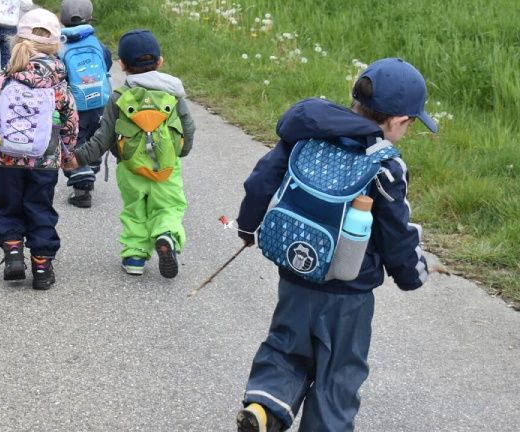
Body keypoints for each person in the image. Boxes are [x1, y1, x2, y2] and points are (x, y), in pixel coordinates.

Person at [233, 57, 436, 432]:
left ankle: (263, 408)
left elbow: (261, 180)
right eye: (410, 123)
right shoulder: (385, 165)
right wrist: (412, 275)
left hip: (296, 273)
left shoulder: (309, 134)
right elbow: (396, 232)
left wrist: (248, 226)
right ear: (398, 121)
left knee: (285, 346)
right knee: (339, 371)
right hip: (349, 294)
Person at [64, 29, 195, 278]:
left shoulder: (119, 97)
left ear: (122, 65)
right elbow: (188, 127)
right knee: (169, 207)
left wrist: (77, 158)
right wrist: (182, 151)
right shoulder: (173, 93)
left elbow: (103, 138)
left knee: (135, 211)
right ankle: (166, 234)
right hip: (166, 168)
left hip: (130, 167)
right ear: (160, 61)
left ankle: (135, 258)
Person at [0, 9, 79, 291]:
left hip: (5, 158)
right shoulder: (58, 85)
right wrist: (67, 153)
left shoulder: (1, 80)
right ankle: (42, 267)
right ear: (55, 47)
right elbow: (70, 123)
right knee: (40, 209)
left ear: (16, 41)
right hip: (45, 160)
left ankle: (14, 252)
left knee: (8, 205)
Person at [57, 0, 112, 208]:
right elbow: (106, 64)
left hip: (73, 105)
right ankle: (90, 167)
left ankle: (82, 183)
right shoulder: (97, 43)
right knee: (94, 137)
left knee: (73, 140)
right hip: (99, 102)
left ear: (61, 19)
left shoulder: (60, 45)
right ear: (90, 18)